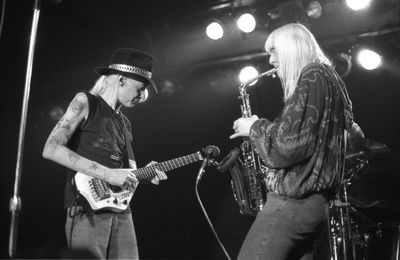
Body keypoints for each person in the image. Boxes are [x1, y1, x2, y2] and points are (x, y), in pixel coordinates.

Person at [230, 23, 360, 259]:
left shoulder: (313, 75)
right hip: (313, 207)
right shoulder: (329, 78)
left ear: (291, 49)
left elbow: (289, 145)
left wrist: (254, 127)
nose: (270, 61)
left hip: (292, 204)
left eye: (274, 52)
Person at [42, 48, 167, 259]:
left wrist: (143, 175)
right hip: (86, 208)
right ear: (120, 79)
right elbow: (51, 149)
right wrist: (107, 174)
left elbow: (120, 171)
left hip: (120, 208)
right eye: (139, 88)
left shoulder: (124, 122)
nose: (141, 95)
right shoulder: (85, 102)